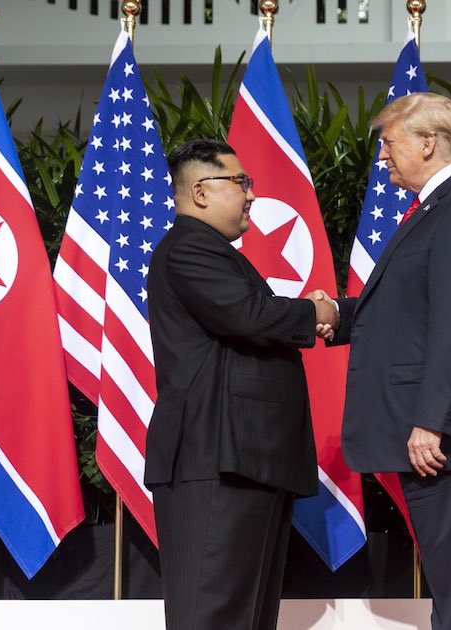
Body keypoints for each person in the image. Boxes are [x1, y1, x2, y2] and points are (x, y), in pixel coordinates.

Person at [320, 92, 451, 630]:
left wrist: (431, 421)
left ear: (428, 143)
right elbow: (410, 309)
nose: (382, 156)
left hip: (442, 439)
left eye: (389, 143)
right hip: (432, 434)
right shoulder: (437, 208)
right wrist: (337, 312)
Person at [144, 138, 338, 630]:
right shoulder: (189, 246)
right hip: (214, 459)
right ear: (202, 192)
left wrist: (337, 314)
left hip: (244, 459)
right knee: (214, 615)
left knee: (246, 617)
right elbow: (251, 316)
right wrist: (314, 312)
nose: (251, 194)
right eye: (241, 182)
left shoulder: (212, 251)